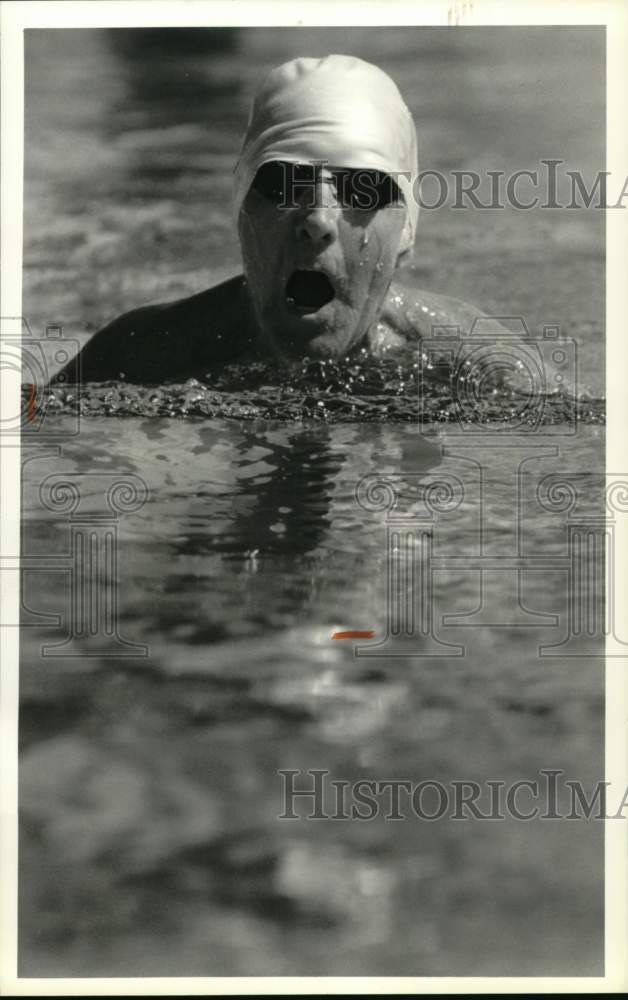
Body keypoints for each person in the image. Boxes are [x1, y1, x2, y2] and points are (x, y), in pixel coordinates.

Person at [56, 54, 483, 385]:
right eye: (283, 184)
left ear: (406, 231)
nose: (318, 219)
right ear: (241, 211)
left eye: (361, 189)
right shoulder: (135, 356)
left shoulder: (483, 362)